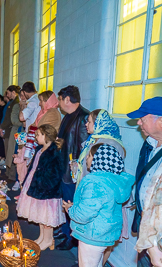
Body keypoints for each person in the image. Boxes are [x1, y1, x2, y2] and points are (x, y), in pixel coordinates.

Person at [63, 144, 134, 267]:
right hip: (104, 235)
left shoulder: (95, 182)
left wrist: (70, 209)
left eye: (89, 155)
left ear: (97, 159)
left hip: (91, 235)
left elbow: (83, 214)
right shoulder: (113, 181)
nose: (86, 158)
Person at [17, 124, 65, 251]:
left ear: (46, 136)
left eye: (38, 135)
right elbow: (34, 166)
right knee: (40, 215)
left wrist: (45, 186)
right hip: (37, 185)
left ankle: (48, 240)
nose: (36, 137)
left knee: (46, 216)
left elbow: (55, 174)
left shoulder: (53, 153)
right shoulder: (40, 149)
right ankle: (42, 237)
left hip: (47, 190)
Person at [126, 97, 162, 267]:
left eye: (143, 118)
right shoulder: (148, 144)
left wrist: (155, 245)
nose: (139, 123)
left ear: (160, 121)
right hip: (144, 224)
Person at [55, 85, 90, 250]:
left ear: (67, 99)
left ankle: (71, 238)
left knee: (71, 202)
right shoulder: (68, 115)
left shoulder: (83, 117)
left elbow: (83, 149)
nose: (58, 103)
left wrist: (75, 169)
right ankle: (64, 230)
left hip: (72, 171)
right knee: (65, 202)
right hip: (63, 167)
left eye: (60, 99)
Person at [75, 109, 125, 185]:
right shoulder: (92, 140)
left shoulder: (108, 144)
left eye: (89, 122)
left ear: (98, 124)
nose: (86, 124)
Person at [0, 85, 22, 185]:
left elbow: (10, 119)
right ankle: (9, 173)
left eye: (8, 92)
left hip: (12, 130)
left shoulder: (16, 103)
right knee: (8, 152)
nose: (7, 95)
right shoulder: (12, 102)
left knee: (12, 152)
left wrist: (2, 127)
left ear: (13, 92)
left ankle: (12, 176)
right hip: (9, 130)